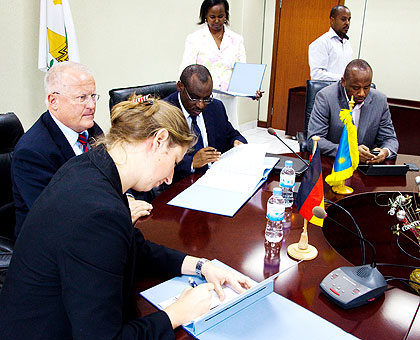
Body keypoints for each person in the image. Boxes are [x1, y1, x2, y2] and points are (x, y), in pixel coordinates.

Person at [0, 96, 253, 339]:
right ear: (158, 140)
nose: (168, 178)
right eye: (174, 162)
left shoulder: (94, 166)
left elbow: (134, 247)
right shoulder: (98, 214)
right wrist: (177, 313)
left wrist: (201, 265)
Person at [11, 61, 151, 238]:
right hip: (51, 245)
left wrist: (128, 199)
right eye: (82, 98)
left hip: (96, 226)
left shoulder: (91, 130)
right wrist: (119, 211)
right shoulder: (32, 152)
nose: (92, 105)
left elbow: (114, 173)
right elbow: (56, 214)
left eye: (93, 96)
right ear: (53, 101)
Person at [179, 0, 262, 129]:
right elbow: (186, 69)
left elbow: (242, 71)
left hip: (228, 98)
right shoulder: (195, 38)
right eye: (212, 17)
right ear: (205, 16)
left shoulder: (236, 39)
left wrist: (251, 90)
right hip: (202, 98)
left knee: (229, 133)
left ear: (226, 15)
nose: (217, 21)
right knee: (205, 133)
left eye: (221, 16)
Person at [165, 64, 247, 182]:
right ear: (180, 86)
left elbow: (232, 135)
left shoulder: (215, 107)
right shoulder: (164, 113)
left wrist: (237, 142)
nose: (201, 105)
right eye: (194, 98)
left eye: (206, 98)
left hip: (215, 178)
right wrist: (192, 162)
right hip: (180, 183)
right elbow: (158, 160)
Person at [307, 59, 398, 163]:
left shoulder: (379, 100)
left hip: (365, 166)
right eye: (355, 88)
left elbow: (390, 139)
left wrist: (385, 151)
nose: (362, 93)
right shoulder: (326, 97)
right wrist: (349, 151)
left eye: (366, 87)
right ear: (343, 82)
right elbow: (314, 141)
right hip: (333, 164)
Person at [308, 5, 353, 81]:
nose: (347, 23)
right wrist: (343, 79)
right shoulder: (321, 43)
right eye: (343, 19)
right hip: (328, 90)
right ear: (332, 20)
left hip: (344, 90)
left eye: (349, 20)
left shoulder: (347, 43)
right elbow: (316, 75)